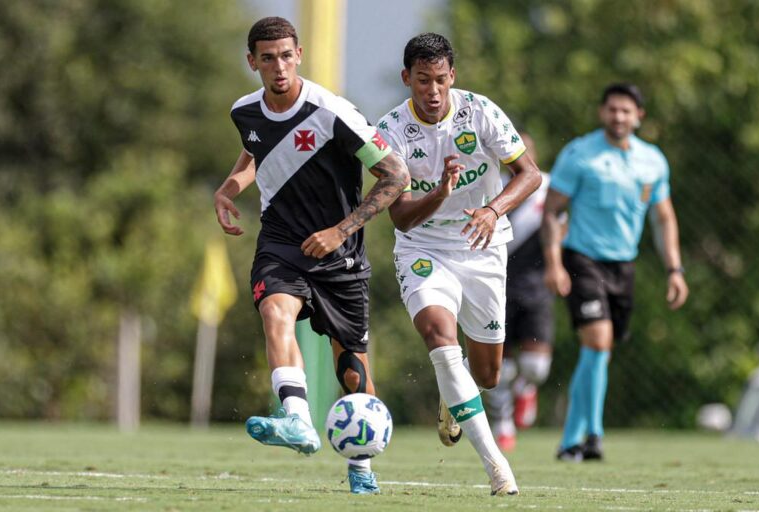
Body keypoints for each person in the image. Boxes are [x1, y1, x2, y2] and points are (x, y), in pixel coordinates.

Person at [212, 17, 409, 494]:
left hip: (340, 255)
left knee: (352, 366)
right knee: (275, 311)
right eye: (267, 58)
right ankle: (298, 420)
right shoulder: (245, 111)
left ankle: (361, 465)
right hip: (280, 243)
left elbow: (395, 175)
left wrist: (340, 231)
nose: (278, 67)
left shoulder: (333, 112)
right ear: (251, 61)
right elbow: (257, 151)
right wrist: (228, 189)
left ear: (298, 54)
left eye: (285, 55)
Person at [379, 33, 541, 495]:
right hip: (423, 248)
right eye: (423, 81)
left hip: (482, 246)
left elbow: (529, 174)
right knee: (438, 335)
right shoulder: (389, 131)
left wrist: (493, 210)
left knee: (487, 375)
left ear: (453, 77)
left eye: (441, 80)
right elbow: (401, 215)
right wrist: (440, 194)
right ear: (406, 78)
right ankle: (497, 469)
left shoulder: (480, 111)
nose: (433, 91)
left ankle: (454, 399)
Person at [541, 83, 689, 462]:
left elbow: (664, 218)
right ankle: (594, 435)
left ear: (639, 116)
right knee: (598, 342)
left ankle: (570, 441)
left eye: (626, 111)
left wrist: (675, 269)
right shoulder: (580, 155)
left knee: (599, 354)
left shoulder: (652, 161)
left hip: (623, 264)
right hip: (582, 258)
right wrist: (554, 261)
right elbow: (552, 211)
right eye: (612, 110)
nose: (618, 117)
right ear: (601, 113)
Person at [482, 133, 555, 452]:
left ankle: (526, 389)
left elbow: (561, 225)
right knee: (499, 365)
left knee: (535, 368)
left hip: (536, 284)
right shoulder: (488, 186)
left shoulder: (548, 187)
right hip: (494, 282)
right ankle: (503, 424)